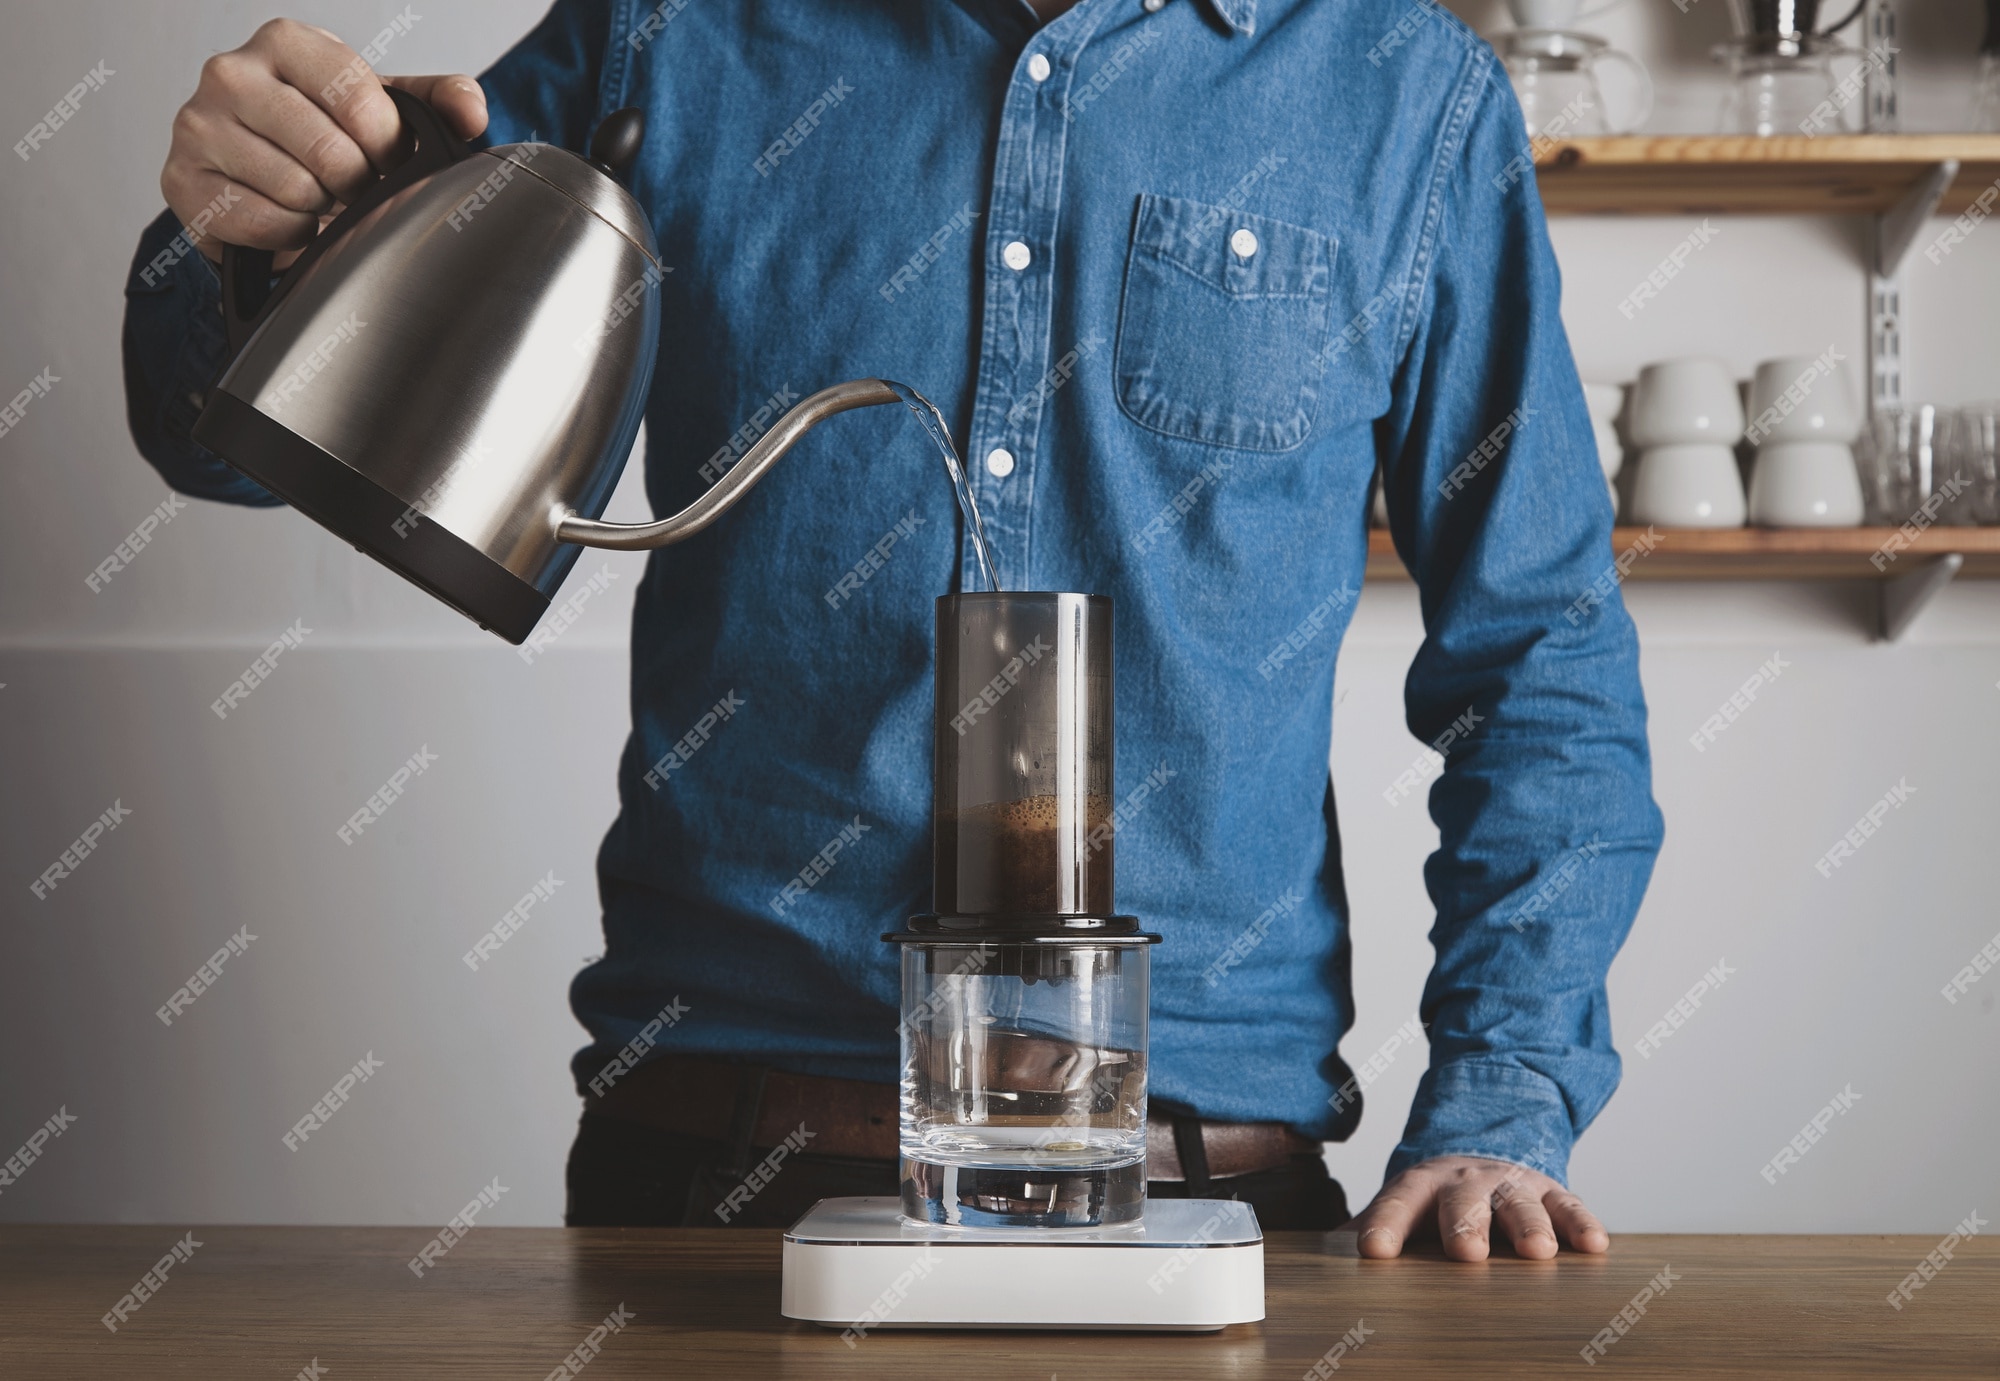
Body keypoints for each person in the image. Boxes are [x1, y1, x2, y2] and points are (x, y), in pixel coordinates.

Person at [125, 0, 1663, 1257]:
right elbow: (241, 430)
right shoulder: (676, 35)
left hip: (1209, 1198)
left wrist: (1498, 1096)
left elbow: (1540, 656)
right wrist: (244, 231)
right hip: (708, 1184)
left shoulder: (1410, 98)